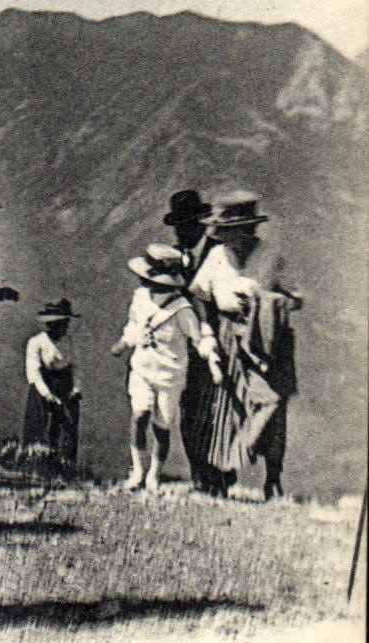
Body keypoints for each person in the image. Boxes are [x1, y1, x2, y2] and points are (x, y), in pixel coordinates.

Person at [189, 192, 301, 499]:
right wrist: (207, 330)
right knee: (227, 404)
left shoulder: (270, 257)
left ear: (245, 229)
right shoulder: (217, 256)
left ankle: (272, 477)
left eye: (227, 231)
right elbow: (200, 294)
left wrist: (263, 303)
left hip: (265, 340)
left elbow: (295, 298)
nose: (221, 237)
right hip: (228, 335)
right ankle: (221, 478)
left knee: (271, 401)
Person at [111, 245, 221, 492]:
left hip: (169, 377)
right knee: (140, 415)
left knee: (162, 426)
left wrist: (212, 359)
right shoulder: (141, 298)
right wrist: (124, 343)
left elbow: (198, 339)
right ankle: (137, 472)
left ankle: (154, 475)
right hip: (142, 369)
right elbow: (135, 325)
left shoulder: (182, 310)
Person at [163, 189, 221, 493]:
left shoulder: (219, 253)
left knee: (216, 411)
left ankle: (219, 474)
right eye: (177, 225)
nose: (179, 231)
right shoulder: (172, 257)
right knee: (188, 411)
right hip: (181, 347)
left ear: (199, 223)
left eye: (184, 224)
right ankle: (201, 475)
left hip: (215, 344)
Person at [22, 299, 82, 468]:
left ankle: (65, 464)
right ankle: (36, 461)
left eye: (66, 323)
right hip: (43, 385)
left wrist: (76, 388)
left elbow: (76, 367)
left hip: (64, 383)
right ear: (52, 324)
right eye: (62, 323)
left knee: (67, 422)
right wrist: (48, 396)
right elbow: (34, 374)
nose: (65, 327)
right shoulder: (36, 342)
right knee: (39, 421)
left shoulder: (69, 341)